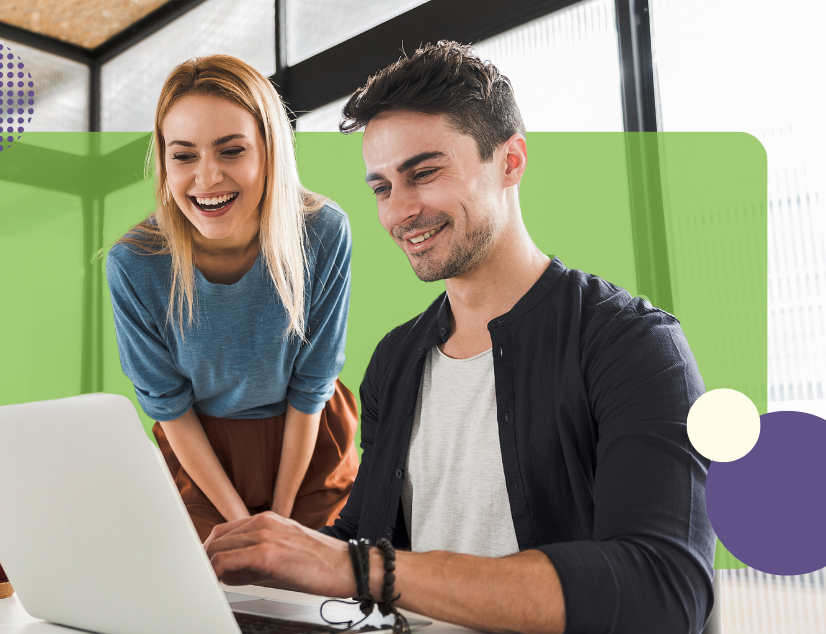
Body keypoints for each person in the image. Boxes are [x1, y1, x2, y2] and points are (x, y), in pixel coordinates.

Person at [203, 42, 715, 634]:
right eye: (382, 188)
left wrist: (355, 565)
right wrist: (259, 562)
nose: (400, 212)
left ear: (511, 160)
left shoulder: (632, 346)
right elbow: (365, 542)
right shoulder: (395, 360)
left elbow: (663, 592)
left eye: (424, 172)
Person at [106, 55, 359, 542]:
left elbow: (312, 385)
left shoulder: (324, 232)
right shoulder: (134, 263)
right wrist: (244, 523)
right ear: (163, 161)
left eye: (231, 151)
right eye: (183, 156)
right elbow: (169, 405)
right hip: (201, 454)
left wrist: (280, 522)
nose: (206, 178)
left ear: (269, 151)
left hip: (307, 440)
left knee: (315, 587)